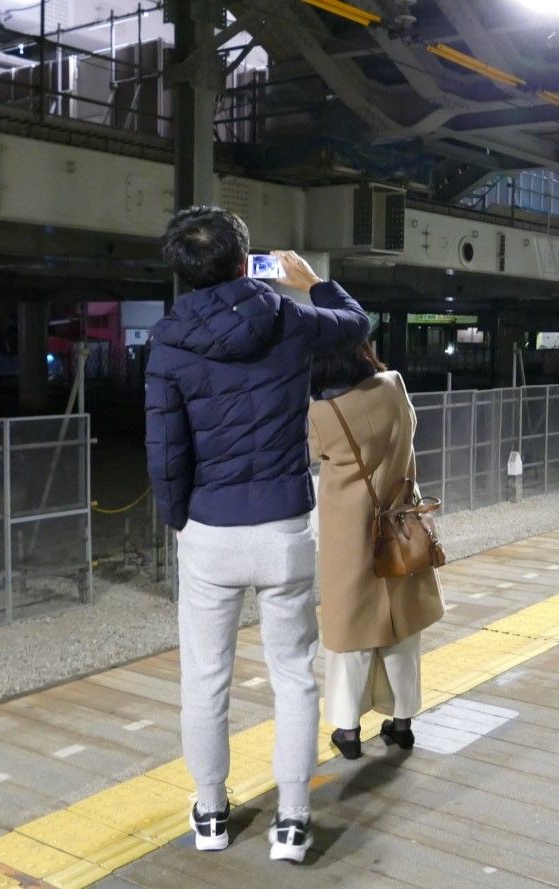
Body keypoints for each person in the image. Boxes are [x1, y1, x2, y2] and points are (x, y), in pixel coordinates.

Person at [145, 206, 369, 863]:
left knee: (205, 678)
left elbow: (165, 449)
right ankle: (293, 822)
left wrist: (180, 521)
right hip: (282, 527)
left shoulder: (167, 340)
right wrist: (312, 283)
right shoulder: (288, 316)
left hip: (209, 530)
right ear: (247, 262)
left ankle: (211, 811)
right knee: (294, 677)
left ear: (183, 273)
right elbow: (356, 325)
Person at [307, 343, 445, 761]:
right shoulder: (393, 387)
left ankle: (348, 733)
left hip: (349, 528)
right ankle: (402, 725)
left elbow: (314, 454)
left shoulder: (321, 413)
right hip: (400, 518)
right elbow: (412, 424)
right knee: (402, 625)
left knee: (350, 628)